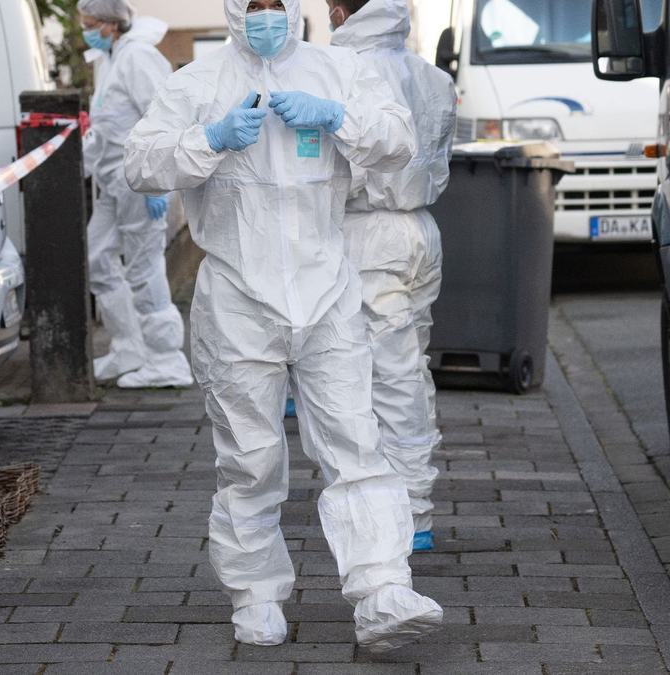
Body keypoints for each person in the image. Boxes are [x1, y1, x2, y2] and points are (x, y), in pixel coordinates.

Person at [124, 0, 444, 652]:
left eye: (277, 3)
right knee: (250, 456)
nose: (267, 14)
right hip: (238, 295)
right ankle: (255, 592)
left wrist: (338, 119)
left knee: (356, 440)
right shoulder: (196, 81)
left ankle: (382, 587)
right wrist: (207, 140)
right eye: (255, 4)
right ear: (234, 9)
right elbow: (139, 163)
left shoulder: (338, 68)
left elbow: (399, 138)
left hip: (327, 285)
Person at [328, 0, 457, 553]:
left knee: (388, 380)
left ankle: (407, 516)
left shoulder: (343, 70)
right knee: (412, 371)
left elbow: (344, 169)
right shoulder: (430, 74)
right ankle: (414, 505)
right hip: (421, 232)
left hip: (368, 236)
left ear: (338, 11)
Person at [78, 0, 194, 388]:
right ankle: (130, 347)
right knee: (96, 258)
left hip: (141, 183)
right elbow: (109, 126)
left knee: (144, 267)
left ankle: (166, 359)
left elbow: (163, 118)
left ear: (113, 24)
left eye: (92, 23)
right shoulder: (111, 60)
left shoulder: (138, 58)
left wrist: (158, 182)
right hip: (115, 183)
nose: (87, 30)